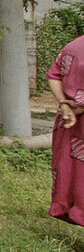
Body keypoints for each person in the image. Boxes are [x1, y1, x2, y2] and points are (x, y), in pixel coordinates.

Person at [47, 33, 84, 227]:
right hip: (76, 119)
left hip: (71, 120)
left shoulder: (74, 46)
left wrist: (64, 104)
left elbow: (54, 75)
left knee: (78, 176)